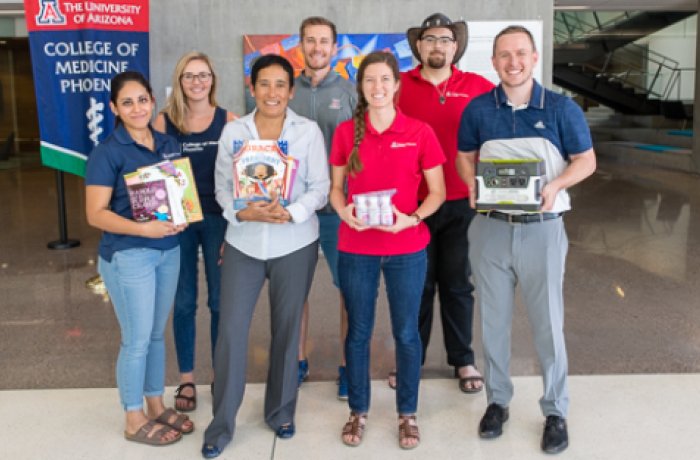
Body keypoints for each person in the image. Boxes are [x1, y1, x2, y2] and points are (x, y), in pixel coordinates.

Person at [456, 25, 596, 454]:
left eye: (520, 53)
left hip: (543, 230)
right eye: (503, 55)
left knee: (548, 325)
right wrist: (470, 186)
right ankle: (497, 401)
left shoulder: (559, 108)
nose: (512, 62)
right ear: (494, 61)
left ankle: (555, 409)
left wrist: (555, 187)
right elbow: (465, 156)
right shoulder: (479, 109)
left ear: (534, 57)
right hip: (491, 228)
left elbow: (585, 161)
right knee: (493, 323)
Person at [201, 54, 330, 459]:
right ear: (252, 88)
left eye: (280, 85)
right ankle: (221, 424)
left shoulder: (308, 132)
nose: (272, 92)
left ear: (291, 91)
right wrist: (241, 211)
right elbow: (222, 186)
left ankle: (280, 411)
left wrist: (288, 212)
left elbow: (320, 187)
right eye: (264, 84)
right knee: (231, 333)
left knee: (288, 330)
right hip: (243, 242)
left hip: (295, 242)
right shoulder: (234, 132)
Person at [329, 51, 446, 450]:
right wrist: (342, 209)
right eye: (369, 81)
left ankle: (407, 413)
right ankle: (358, 410)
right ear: (360, 88)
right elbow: (334, 188)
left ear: (397, 85)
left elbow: (438, 193)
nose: (377, 88)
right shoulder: (346, 133)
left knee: (406, 333)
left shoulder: (420, 132)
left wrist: (411, 219)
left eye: (384, 80)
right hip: (356, 246)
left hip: (407, 248)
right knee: (358, 332)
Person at [85, 71, 194, 446]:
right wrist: (144, 230)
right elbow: (95, 213)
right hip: (129, 255)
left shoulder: (167, 143)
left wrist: (179, 217)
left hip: (168, 251)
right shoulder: (107, 152)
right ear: (115, 108)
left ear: (152, 101)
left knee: (154, 335)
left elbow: (177, 195)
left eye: (142, 100)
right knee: (135, 340)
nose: (136, 108)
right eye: (127, 102)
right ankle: (132, 417)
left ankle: (154, 404)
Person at [395, 12, 494, 393]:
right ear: (419, 46)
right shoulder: (399, 85)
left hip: (461, 202)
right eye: (430, 39)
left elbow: (497, 137)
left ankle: (463, 360)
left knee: (457, 284)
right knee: (415, 285)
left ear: (456, 47)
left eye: (445, 39)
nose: (438, 45)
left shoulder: (479, 87)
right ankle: (411, 360)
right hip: (412, 206)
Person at [153, 51, 237, 412]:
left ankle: (220, 374)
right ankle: (187, 378)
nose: (197, 82)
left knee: (220, 301)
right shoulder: (163, 122)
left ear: (213, 80)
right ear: (179, 80)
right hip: (179, 220)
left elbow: (240, 176)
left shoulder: (229, 121)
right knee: (184, 301)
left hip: (218, 218)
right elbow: (152, 172)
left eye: (203, 75)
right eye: (189, 76)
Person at [289, 16, 357, 398]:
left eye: (324, 41)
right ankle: (298, 361)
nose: (317, 47)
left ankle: (348, 365)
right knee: (294, 290)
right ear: (302, 46)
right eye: (310, 41)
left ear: (334, 48)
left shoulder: (349, 92)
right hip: (294, 212)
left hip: (336, 210)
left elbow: (361, 149)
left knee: (348, 289)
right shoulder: (285, 91)